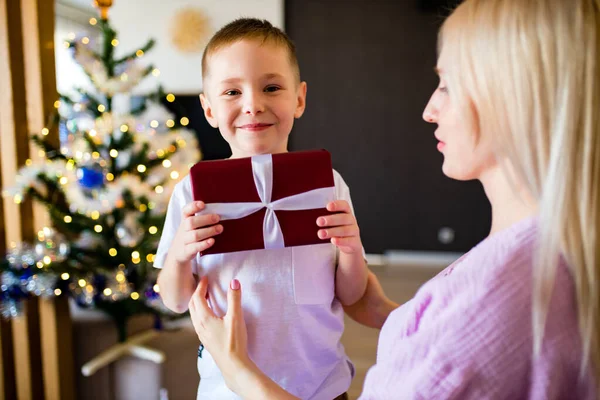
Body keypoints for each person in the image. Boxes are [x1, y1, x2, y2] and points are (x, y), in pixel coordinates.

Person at [186, 0, 600, 398]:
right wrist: (390, 311)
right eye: (231, 93)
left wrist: (240, 373)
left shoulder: (492, 300)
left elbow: (457, 342)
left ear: (513, 100)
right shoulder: (557, 253)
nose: (429, 109)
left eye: (447, 85)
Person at [154, 18, 369, 400]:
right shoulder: (192, 193)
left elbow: (350, 295)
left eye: (271, 87)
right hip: (229, 391)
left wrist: (351, 250)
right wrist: (180, 253)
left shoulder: (327, 184)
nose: (253, 105)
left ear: (299, 99)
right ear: (208, 110)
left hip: (323, 385)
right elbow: (173, 300)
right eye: (232, 92)